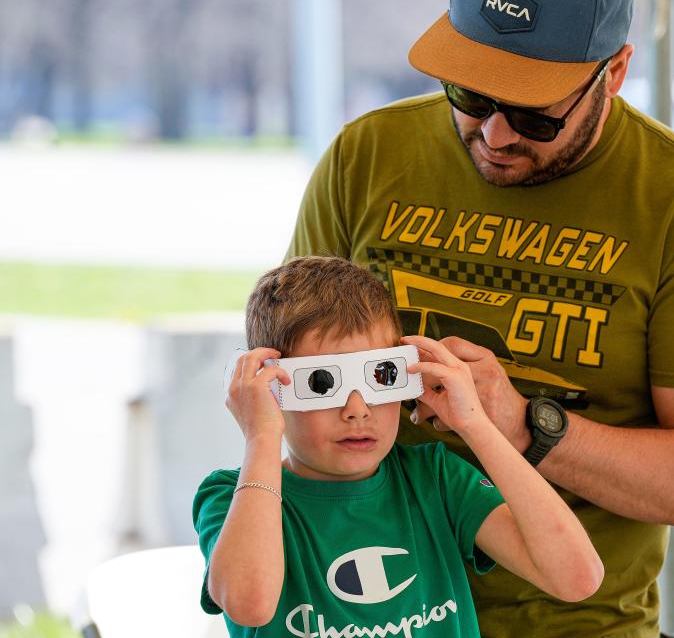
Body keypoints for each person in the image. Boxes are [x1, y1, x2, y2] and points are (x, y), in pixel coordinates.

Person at [285, 0, 674, 635]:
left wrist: (524, 426)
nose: (494, 135)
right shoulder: (366, 155)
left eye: (533, 115)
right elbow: (289, 374)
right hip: (359, 615)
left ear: (615, 72)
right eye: (470, 94)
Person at [192, 256, 603, 637]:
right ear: (270, 387)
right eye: (321, 383)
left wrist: (475, 423)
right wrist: (262, 435)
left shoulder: (436, 479)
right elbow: (250, 606)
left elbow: (576, 577)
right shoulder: (229, 497)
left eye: (380, 376)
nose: (356, 409)